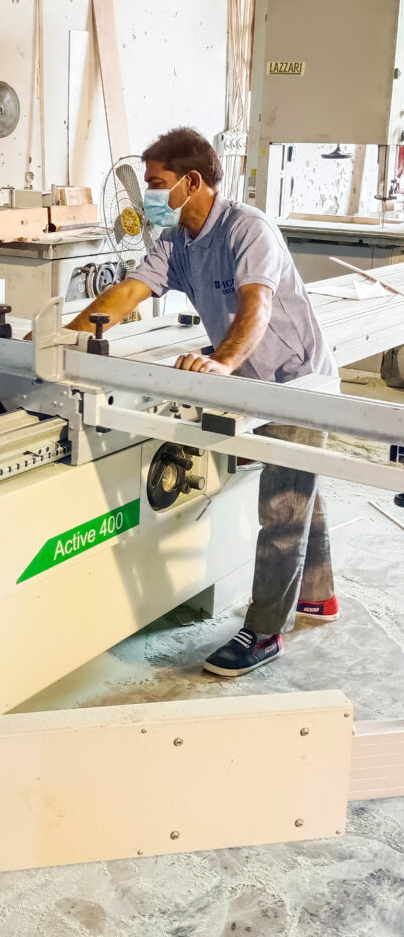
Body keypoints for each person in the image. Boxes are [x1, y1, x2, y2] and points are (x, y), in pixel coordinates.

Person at [67, 127, 340, 677]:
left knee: (282, 510)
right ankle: (319, 596)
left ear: (192, 182)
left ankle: (264, 632)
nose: (149, 194)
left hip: (294, 384)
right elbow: (128, 292)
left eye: (156, 183)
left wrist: (222, 363)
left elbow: (257, 305)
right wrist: (60, 341)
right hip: (246, 381)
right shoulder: (176, 241)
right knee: (298, 488)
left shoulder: (247, 229)